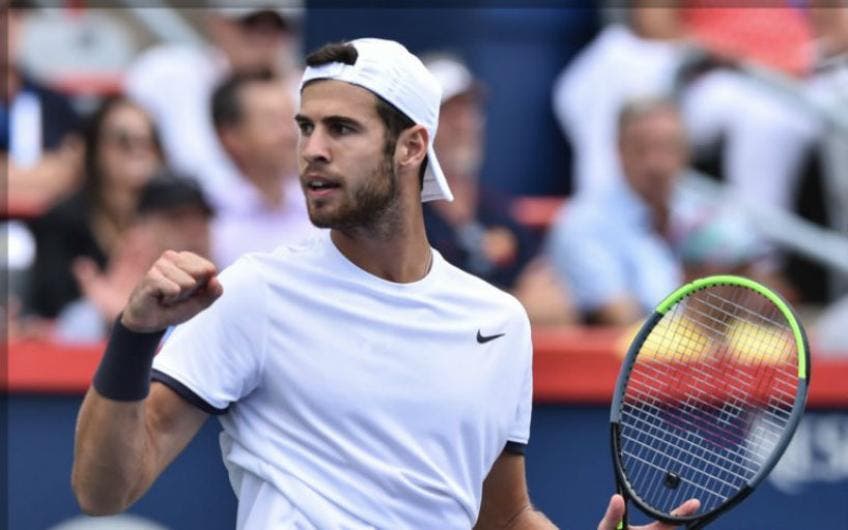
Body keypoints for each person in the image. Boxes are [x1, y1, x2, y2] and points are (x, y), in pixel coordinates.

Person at [71, 38, 697, 529]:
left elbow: (501, 517)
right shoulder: (255, 293)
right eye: (305, 127)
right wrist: (133, 337)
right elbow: (104, 490)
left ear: (411, 146)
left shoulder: (498, 321)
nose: (312, 149)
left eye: (341, 129)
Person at [546, 96, 771, 326]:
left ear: (686, 154)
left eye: (668, 148)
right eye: (642, 148)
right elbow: (621, 320)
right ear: (619, 150)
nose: (656, 163)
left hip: (711, 351)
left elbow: (759, 294)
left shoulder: (709, 211)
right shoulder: (583, 223)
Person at [124, 3, 302, 193]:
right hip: (187, 215)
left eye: (277, 26)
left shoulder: (309, 93)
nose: (263, 36)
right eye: (250, 23)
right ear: (217, 24)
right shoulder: (169, 75)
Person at [25, 95, 164, 319]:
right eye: (124, 140)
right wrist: (103, 303)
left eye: (150, 141)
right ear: (96, 149)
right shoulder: (61, 220)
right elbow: (50, 305)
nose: (139, 151)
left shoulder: (178, 211)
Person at [55, 174, 215, 343]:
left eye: (202, 217)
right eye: (177, 218)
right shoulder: (92, 315)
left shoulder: (230, 292)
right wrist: (122, 325)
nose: (194, 230)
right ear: (141, 228)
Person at [206, 70, 317, 268]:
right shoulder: (208, 219)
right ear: (231, 135)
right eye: (273, 122)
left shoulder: (321, 206)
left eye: (293, 120)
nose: (290, 134)